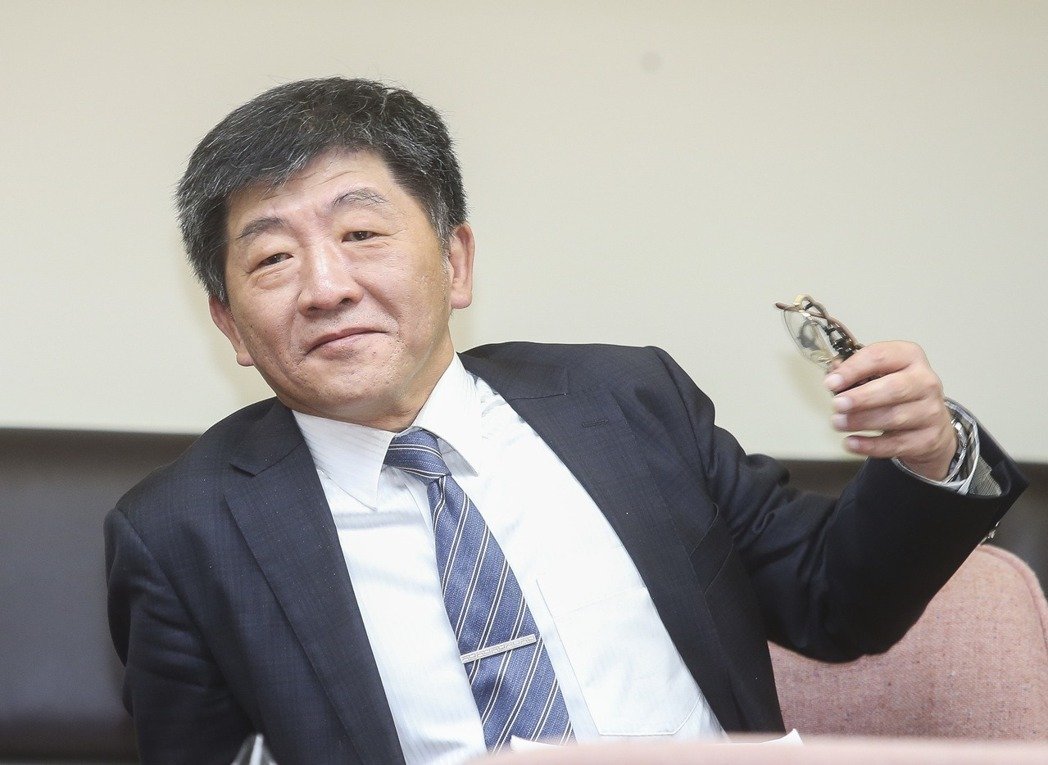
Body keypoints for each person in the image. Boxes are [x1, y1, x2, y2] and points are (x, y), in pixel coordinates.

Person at [105, 78, 1026, 765]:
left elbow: (835, 602)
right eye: (271, 258)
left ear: (456, 263)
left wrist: (928, 454)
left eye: (362, 234)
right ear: (230, 323)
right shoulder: (181, 533)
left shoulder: (628, 403)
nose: (327, 286)